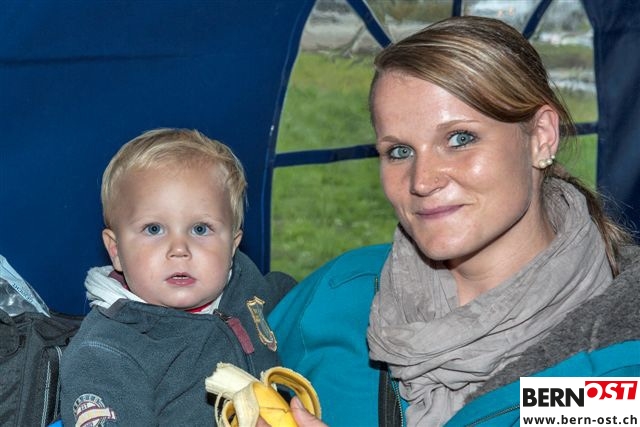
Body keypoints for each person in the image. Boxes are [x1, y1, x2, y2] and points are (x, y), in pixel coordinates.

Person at [269, 15, 640, 426]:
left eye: (460, 139)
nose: (422, 181)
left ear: (541, 137)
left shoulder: (618, 359)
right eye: (399, 152)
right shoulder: (337, 297)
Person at [60, 128, 295, 426]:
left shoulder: (244, 283)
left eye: (200, 229)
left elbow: (292, 299)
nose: (179, 249)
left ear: (232, 245)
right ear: (116, 250)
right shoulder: (106, 355)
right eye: (154, 229)